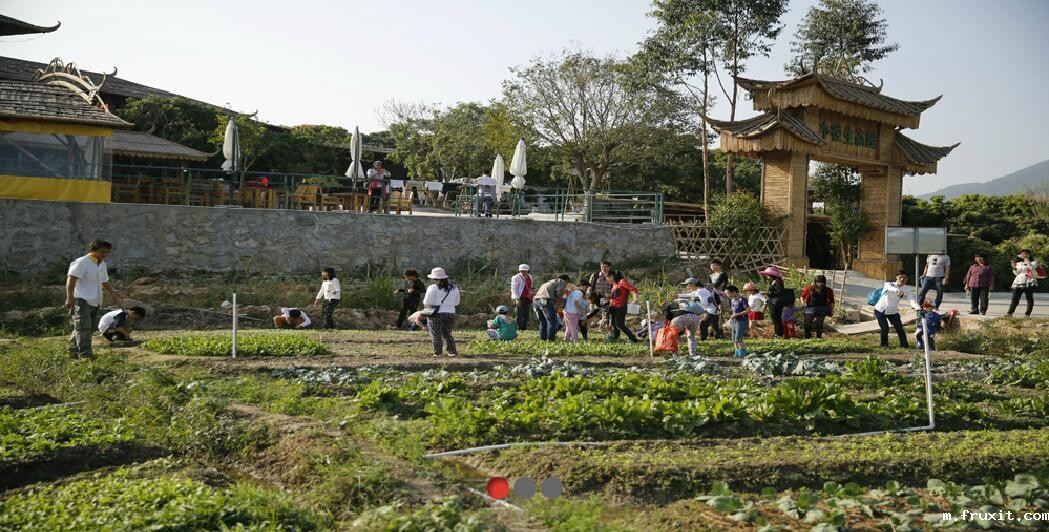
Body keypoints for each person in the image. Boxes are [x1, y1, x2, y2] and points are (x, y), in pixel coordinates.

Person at [66, 240, 125, 360]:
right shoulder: (82, 262)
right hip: (82, 300)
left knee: (88, 327)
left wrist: (113, 291)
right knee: (84, 327)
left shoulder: (102, 264)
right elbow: (71, 279)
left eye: (107, 252)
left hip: (96, 300)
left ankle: (73, 350)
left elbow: (104, 281)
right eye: (102, 251)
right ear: (93, 250)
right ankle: (85, 354)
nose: (104, 254)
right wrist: (69, 297)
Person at [873, 271, 920, 348]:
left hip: (893, 311)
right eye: (900, 277)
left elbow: (912, 300)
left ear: (907, 279)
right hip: (880, 309)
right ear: (896, 277)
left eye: (904, 277)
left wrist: (918, 308)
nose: (902, 279)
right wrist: (897, 290)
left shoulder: (907, 289)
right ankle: (884, 345)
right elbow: (889, 288)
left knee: (900, 329)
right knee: (885, 328)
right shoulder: (889, 284)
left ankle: (905, 346)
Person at [423, 267, 461, 356]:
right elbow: (457, 302)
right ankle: (452, 352)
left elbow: (427, 302)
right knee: (447, 334)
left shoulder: (433, 288)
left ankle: (438, 352)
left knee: (436, 334)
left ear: (434, 278)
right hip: (451, 313)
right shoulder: (454, 288)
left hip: (436, 314)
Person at [533, 275, 570, 341]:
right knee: (551, 322)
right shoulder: (561, 281)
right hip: (545, 300)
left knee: (542, 321)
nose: (566, 285)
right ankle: (550, 340)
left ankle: (542, 338)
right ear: (566, 280)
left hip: (536, 301)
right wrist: (559, 302)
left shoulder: (548, 282)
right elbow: (559, 293)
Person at [606, 270, 640, 343]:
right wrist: (609, 297)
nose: (607, 280)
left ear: (611, 276)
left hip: (620, 307)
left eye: (607, 277)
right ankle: (615, 337)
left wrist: (635, 299)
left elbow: (633, 289)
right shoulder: (614, 284)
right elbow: (617, 295)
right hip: (613, 307)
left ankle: (633, 339)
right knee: (613, 324)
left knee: (619, 325)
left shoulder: (622, 282)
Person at [800, 274, 835, 339]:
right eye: (818, 282)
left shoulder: (828, 290)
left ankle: (818, 338)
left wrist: (832, 311)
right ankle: (807, 336)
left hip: (823, 308)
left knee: (819, 324)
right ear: (815, 282)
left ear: (824, 283)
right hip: (810, 308)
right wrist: (803, 303)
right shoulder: (810, 288)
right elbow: (802, 296)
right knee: (807, 322)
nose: (820, 284)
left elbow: (832, 302)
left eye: (822, 282)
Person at [1007, 250, 1039, 317]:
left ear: (1029, 255)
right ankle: (1009, 313)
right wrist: (1014, 267)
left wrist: (1026, 260)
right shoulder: (1019, 263)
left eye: (1026, 254)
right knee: (1015, 298)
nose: (1024, 255)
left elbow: (1031, 268)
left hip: (1029, 281)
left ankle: (1027, 314)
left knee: (1029, 298)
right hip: (1019, 281)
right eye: (1023, 254)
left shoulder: (1034, 262)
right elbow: (1016, 273)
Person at [759, 266, 786, 338]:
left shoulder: (778, 281)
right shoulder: (774, 282)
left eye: (768, 276)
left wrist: (769, 294)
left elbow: (780, 291)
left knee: (777, 319)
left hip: (776, 303)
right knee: (775, 319)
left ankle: (779, 334)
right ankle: (777, 334)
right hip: (772, 303)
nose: (767, 277)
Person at [726, 285, 749, 357]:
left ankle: (743, 354)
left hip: (741, 321)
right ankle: (737, 353)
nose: (727, 295)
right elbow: (733, 311)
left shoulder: (743, 300)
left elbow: (748, 310)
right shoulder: (732, 300)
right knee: (734, 339)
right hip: (734, 321)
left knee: (738, 338)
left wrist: (737, 315)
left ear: (734, 292)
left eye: (728, 293)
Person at [707, 259, 728, 339]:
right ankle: (712, 331)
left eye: (714, 265)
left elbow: (719, 284)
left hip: (720, 294)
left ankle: (720, 331)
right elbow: (708, 284)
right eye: (711, 265)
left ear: (719, 265)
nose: (713, 267)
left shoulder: (723, 274)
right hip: (712, 293)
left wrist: (711, 286)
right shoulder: (711, 275)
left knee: (719, 313)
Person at [510, 264, 534, 331]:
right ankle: (518, 328)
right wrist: (517, 299)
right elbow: (514, 289)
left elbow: (531, 286)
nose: (523, 272)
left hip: (527, 298)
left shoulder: (530, 277)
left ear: (528, 271)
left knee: (526, 314)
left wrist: (531, 293)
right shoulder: (516, 277)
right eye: (521, 271)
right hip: (519, 297)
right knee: (519, 314)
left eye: (525, 271)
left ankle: (524, 328)